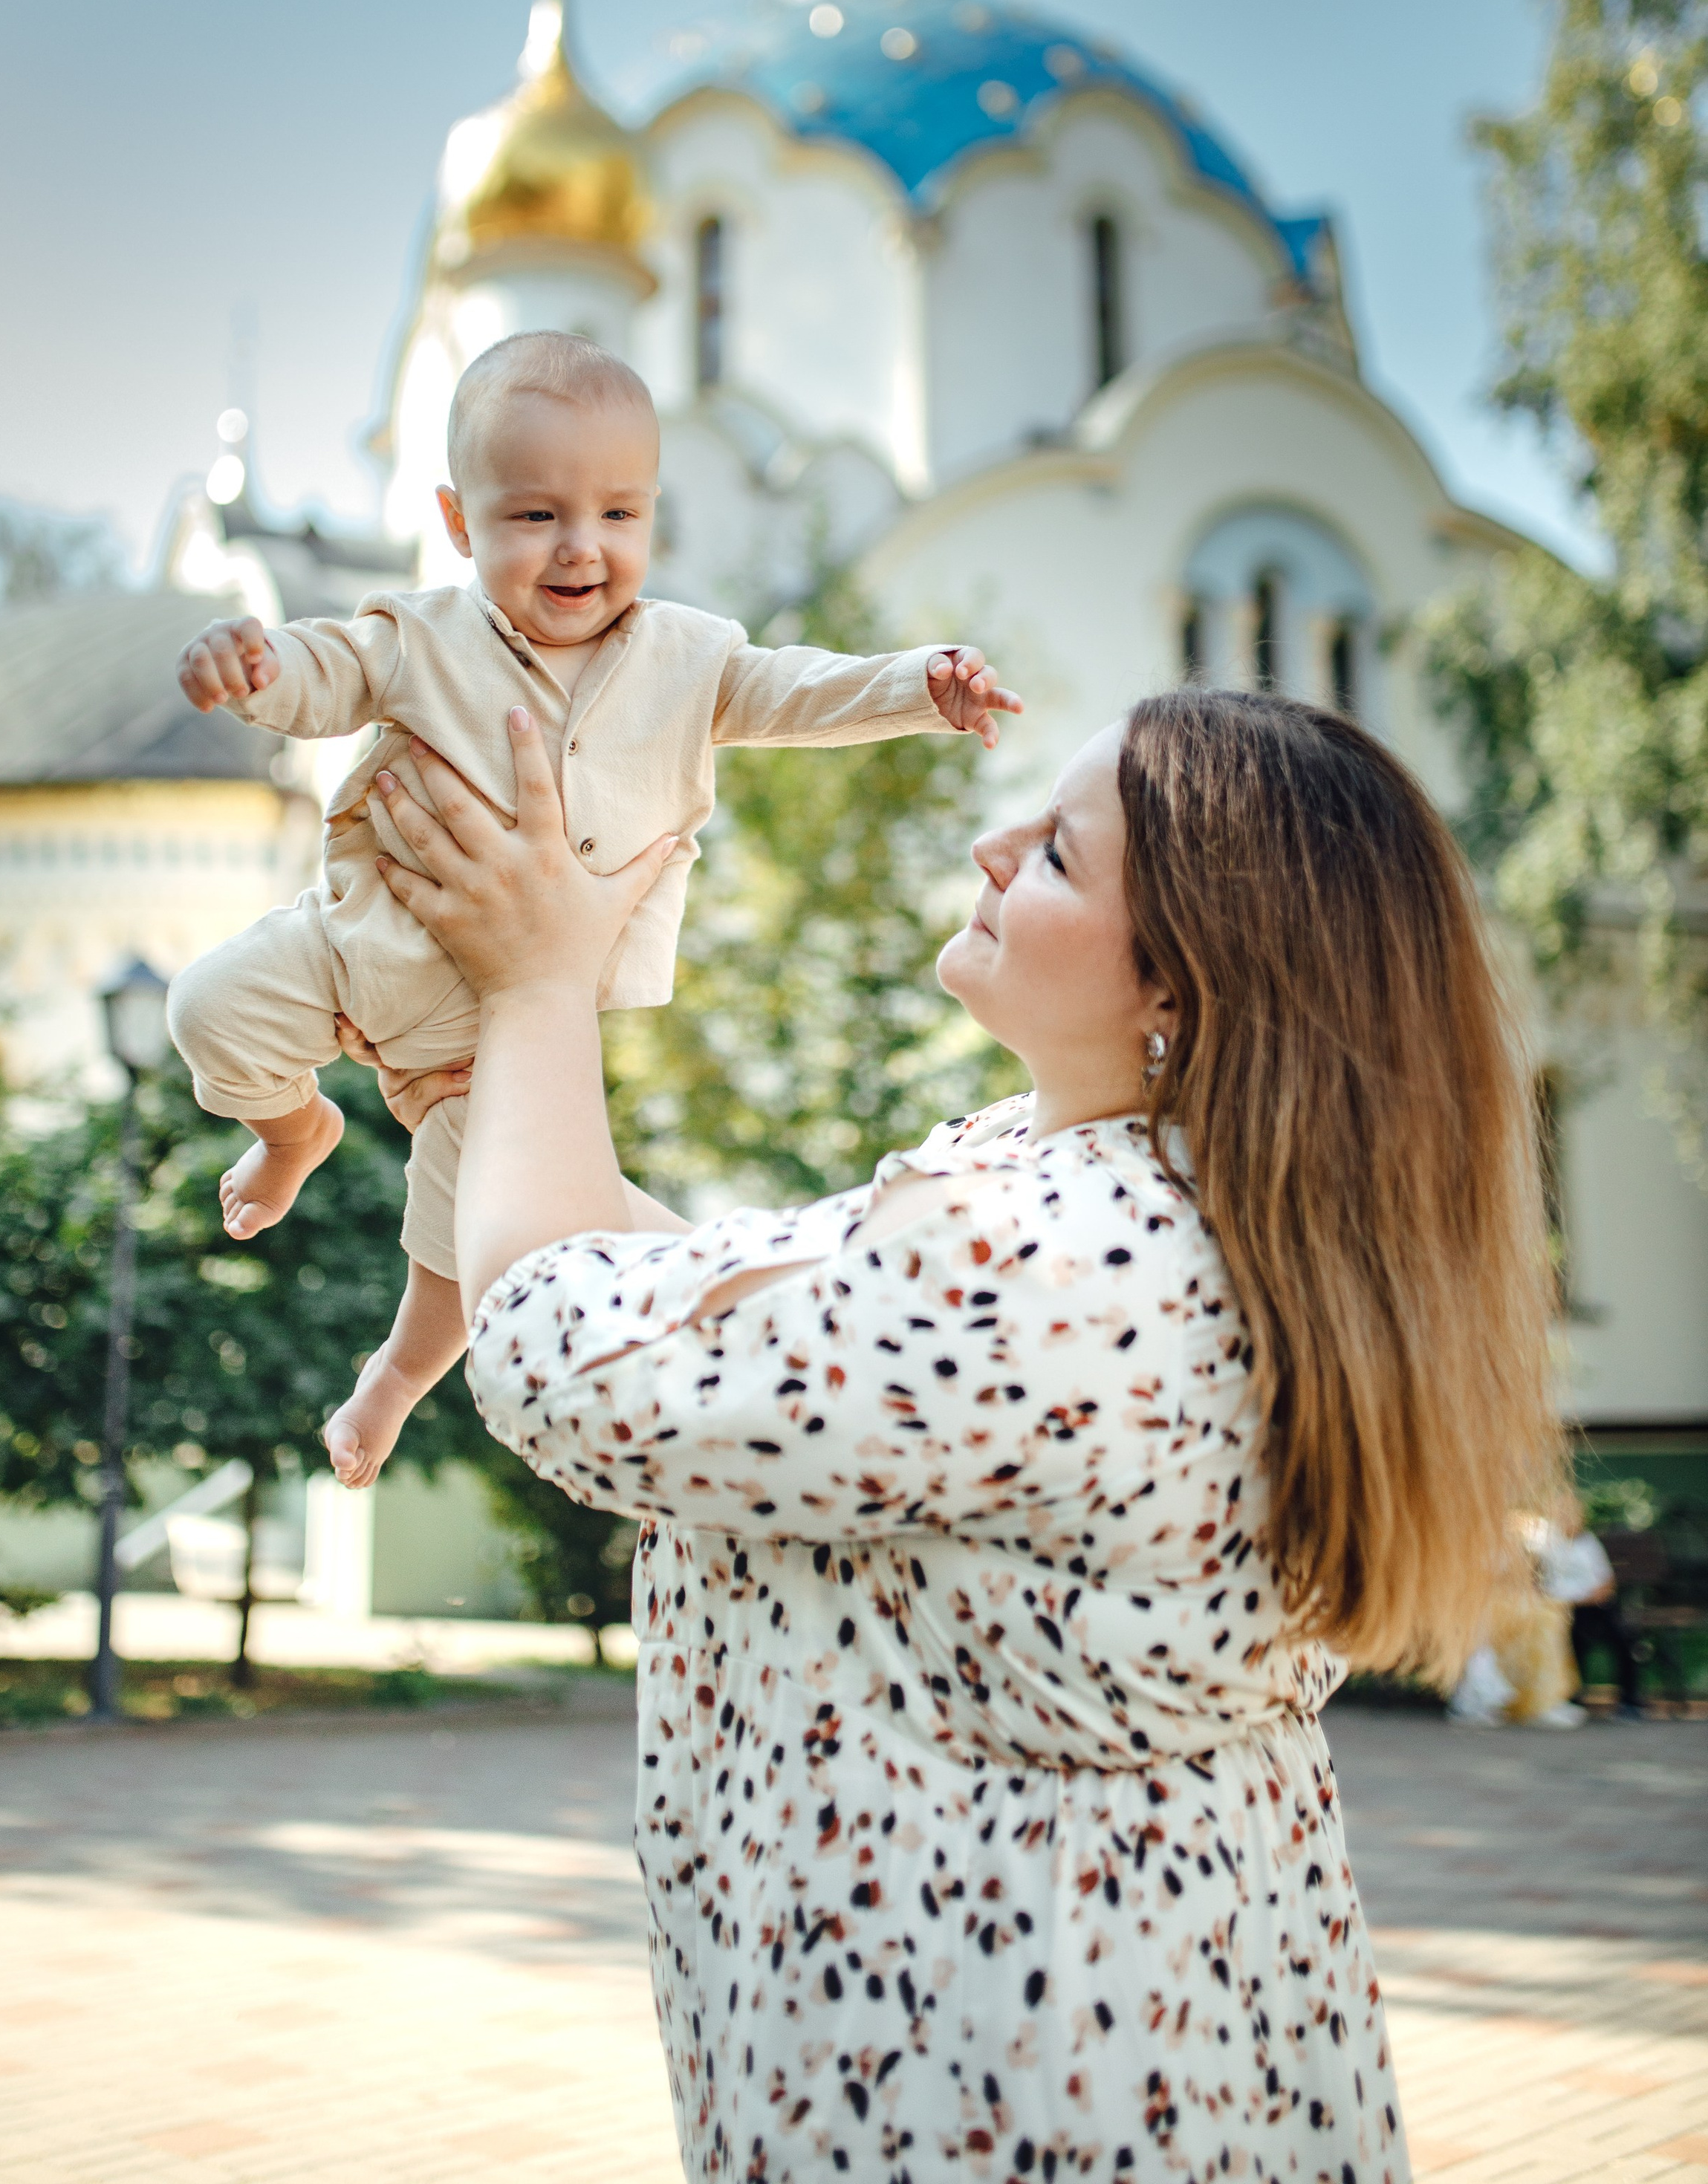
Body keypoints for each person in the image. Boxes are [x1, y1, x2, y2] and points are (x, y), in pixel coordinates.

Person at [357, 684, 1558, 2180]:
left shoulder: (1049, 1259)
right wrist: (495, 1107)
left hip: (991, 2071)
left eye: (1057, 854)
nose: (992, 848)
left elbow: (571, 1363)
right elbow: (732, 1334)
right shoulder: (1168, 1213)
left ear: (1175, 991)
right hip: (1169, 2029)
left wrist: (536, 987)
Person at [165, 330, 1019, 1486]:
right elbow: (327, 671)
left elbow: (795, 687)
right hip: (353, 942)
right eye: (536, 517)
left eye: (621, 515)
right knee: (204, 1007)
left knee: (464, 1228)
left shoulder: (687, 658)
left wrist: (922, 685)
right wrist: (256, 667)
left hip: (492, 1033)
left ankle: (397, 1380)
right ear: (461, 522)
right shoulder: (422, 637)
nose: (584, 548)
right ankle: (290, 1131)